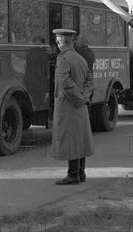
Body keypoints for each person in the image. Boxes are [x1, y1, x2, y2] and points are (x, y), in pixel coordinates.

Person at [51, 28, 95, 185]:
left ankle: (73, 174)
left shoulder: (63, 59)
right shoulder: (80, 58)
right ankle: (81, 173)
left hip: (68, 104)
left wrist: (77, 97)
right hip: (80, 105)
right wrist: (84, 97)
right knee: (79, 138)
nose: (56, 43)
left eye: (58, 40)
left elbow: (64, 82)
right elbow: (90, 79)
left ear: (63, 42)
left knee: (70, 139)